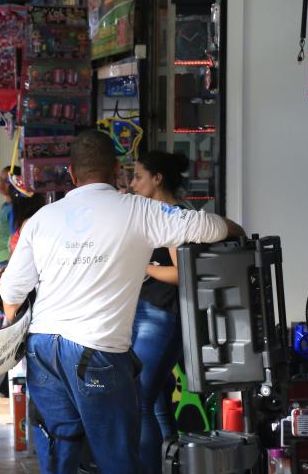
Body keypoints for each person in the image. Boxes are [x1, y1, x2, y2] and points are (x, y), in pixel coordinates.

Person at [0, 130, 244, 474]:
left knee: (60, 450)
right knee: (115, 455)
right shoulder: (140, 211)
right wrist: (236, 230)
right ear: (117, 170)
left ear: (71, 173)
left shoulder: (41, 220)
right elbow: (207, 227)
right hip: (96, 350)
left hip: (43, 350)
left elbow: (11, 293)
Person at [129, 150, 191, 473]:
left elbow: (182, 273)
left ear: (158, 179)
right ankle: (171, 466)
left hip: (163, 315)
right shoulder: (156, 214)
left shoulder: (173, 216)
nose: (132, 183)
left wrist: (146, 268)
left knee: (139, 400)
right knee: (155, 401)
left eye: (139, 176)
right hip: (151, 312)